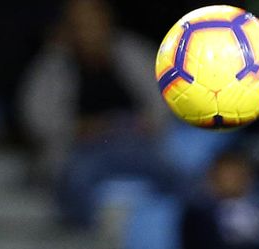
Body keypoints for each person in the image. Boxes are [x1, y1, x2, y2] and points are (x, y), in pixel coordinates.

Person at [18, 0, 164, 228]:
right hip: (81, 149)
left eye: (94, 23)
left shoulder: (131, 53)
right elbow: (36, 118)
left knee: (178, 177)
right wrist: (80, 127)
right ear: (69, 28)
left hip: (134, 143)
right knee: (77, 180)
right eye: (80, 24)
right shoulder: (55, 64)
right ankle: (83, 241)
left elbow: (162, 102)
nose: (88, 31)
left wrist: (145, 123)